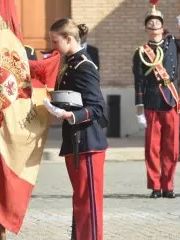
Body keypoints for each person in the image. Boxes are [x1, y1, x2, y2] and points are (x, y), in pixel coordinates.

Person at [132, 0, 180, 198]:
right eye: (150, 22)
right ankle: (155, 185)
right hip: (151, 102)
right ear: (146, 29)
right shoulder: (141, 52)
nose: (154, 24)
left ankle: (168, 184)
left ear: (162, 26)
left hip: (172, 100)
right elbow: (138, 81)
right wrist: (139, 108)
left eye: (157, 21)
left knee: (171, 147)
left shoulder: (173, 42)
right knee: (153, 148)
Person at [42, 18, 108, 240]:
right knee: (80, 200)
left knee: (88, 201)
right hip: (75, 140)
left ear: (69, 39)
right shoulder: (70, 63)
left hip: (87, 142)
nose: (53, 46)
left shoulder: (84, 66)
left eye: (56, 41)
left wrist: (71, 115)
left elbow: (97, 107)